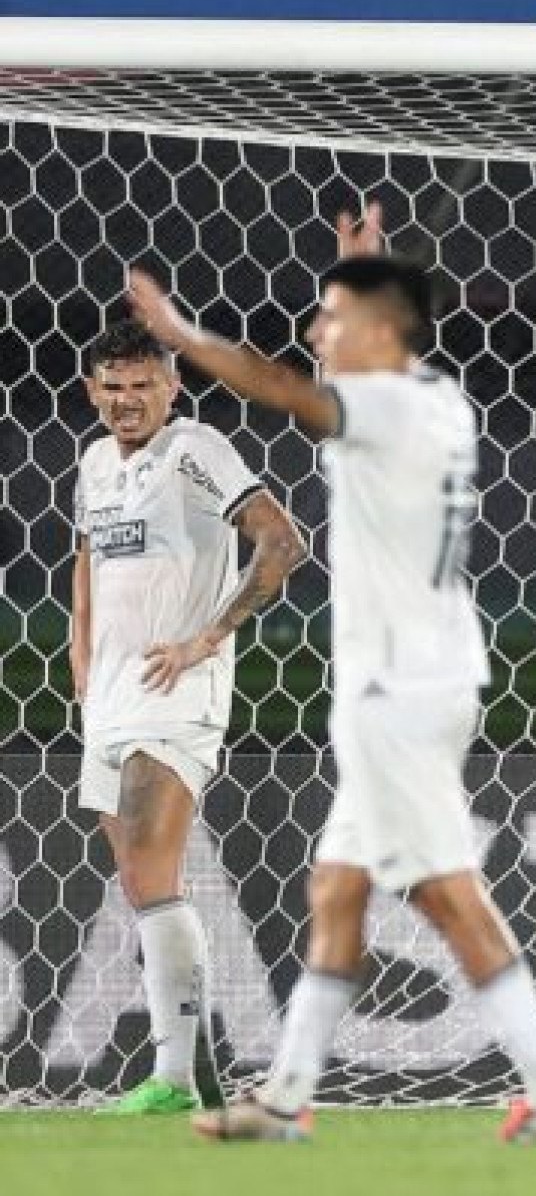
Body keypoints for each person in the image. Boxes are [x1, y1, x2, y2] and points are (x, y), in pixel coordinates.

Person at [126, 204, 536, 1144]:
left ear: (382, 329)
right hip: (423, 679)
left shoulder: (381, 403)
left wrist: (182, 336)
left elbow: (290, 391)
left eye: (333, 315)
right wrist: (362, 269)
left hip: (398, 693)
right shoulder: (437, 399)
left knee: (449, 894)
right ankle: (287, 1097)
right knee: (337, 888)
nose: (315, 330)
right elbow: (343, 387)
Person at [72, 320, 306, 1114]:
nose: (127, 399)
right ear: (92, 390)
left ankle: (175, 1074)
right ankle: (195, 1072)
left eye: (143, 384)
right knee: (146, 889)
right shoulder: (95, 462)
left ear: (172, 386)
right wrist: (82, 667)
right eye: (112, 385)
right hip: (107, 698)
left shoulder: (196, 449)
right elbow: (86, 565)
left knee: (148, 874)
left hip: (177, 696)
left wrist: (211, 635)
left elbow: (282, 541)